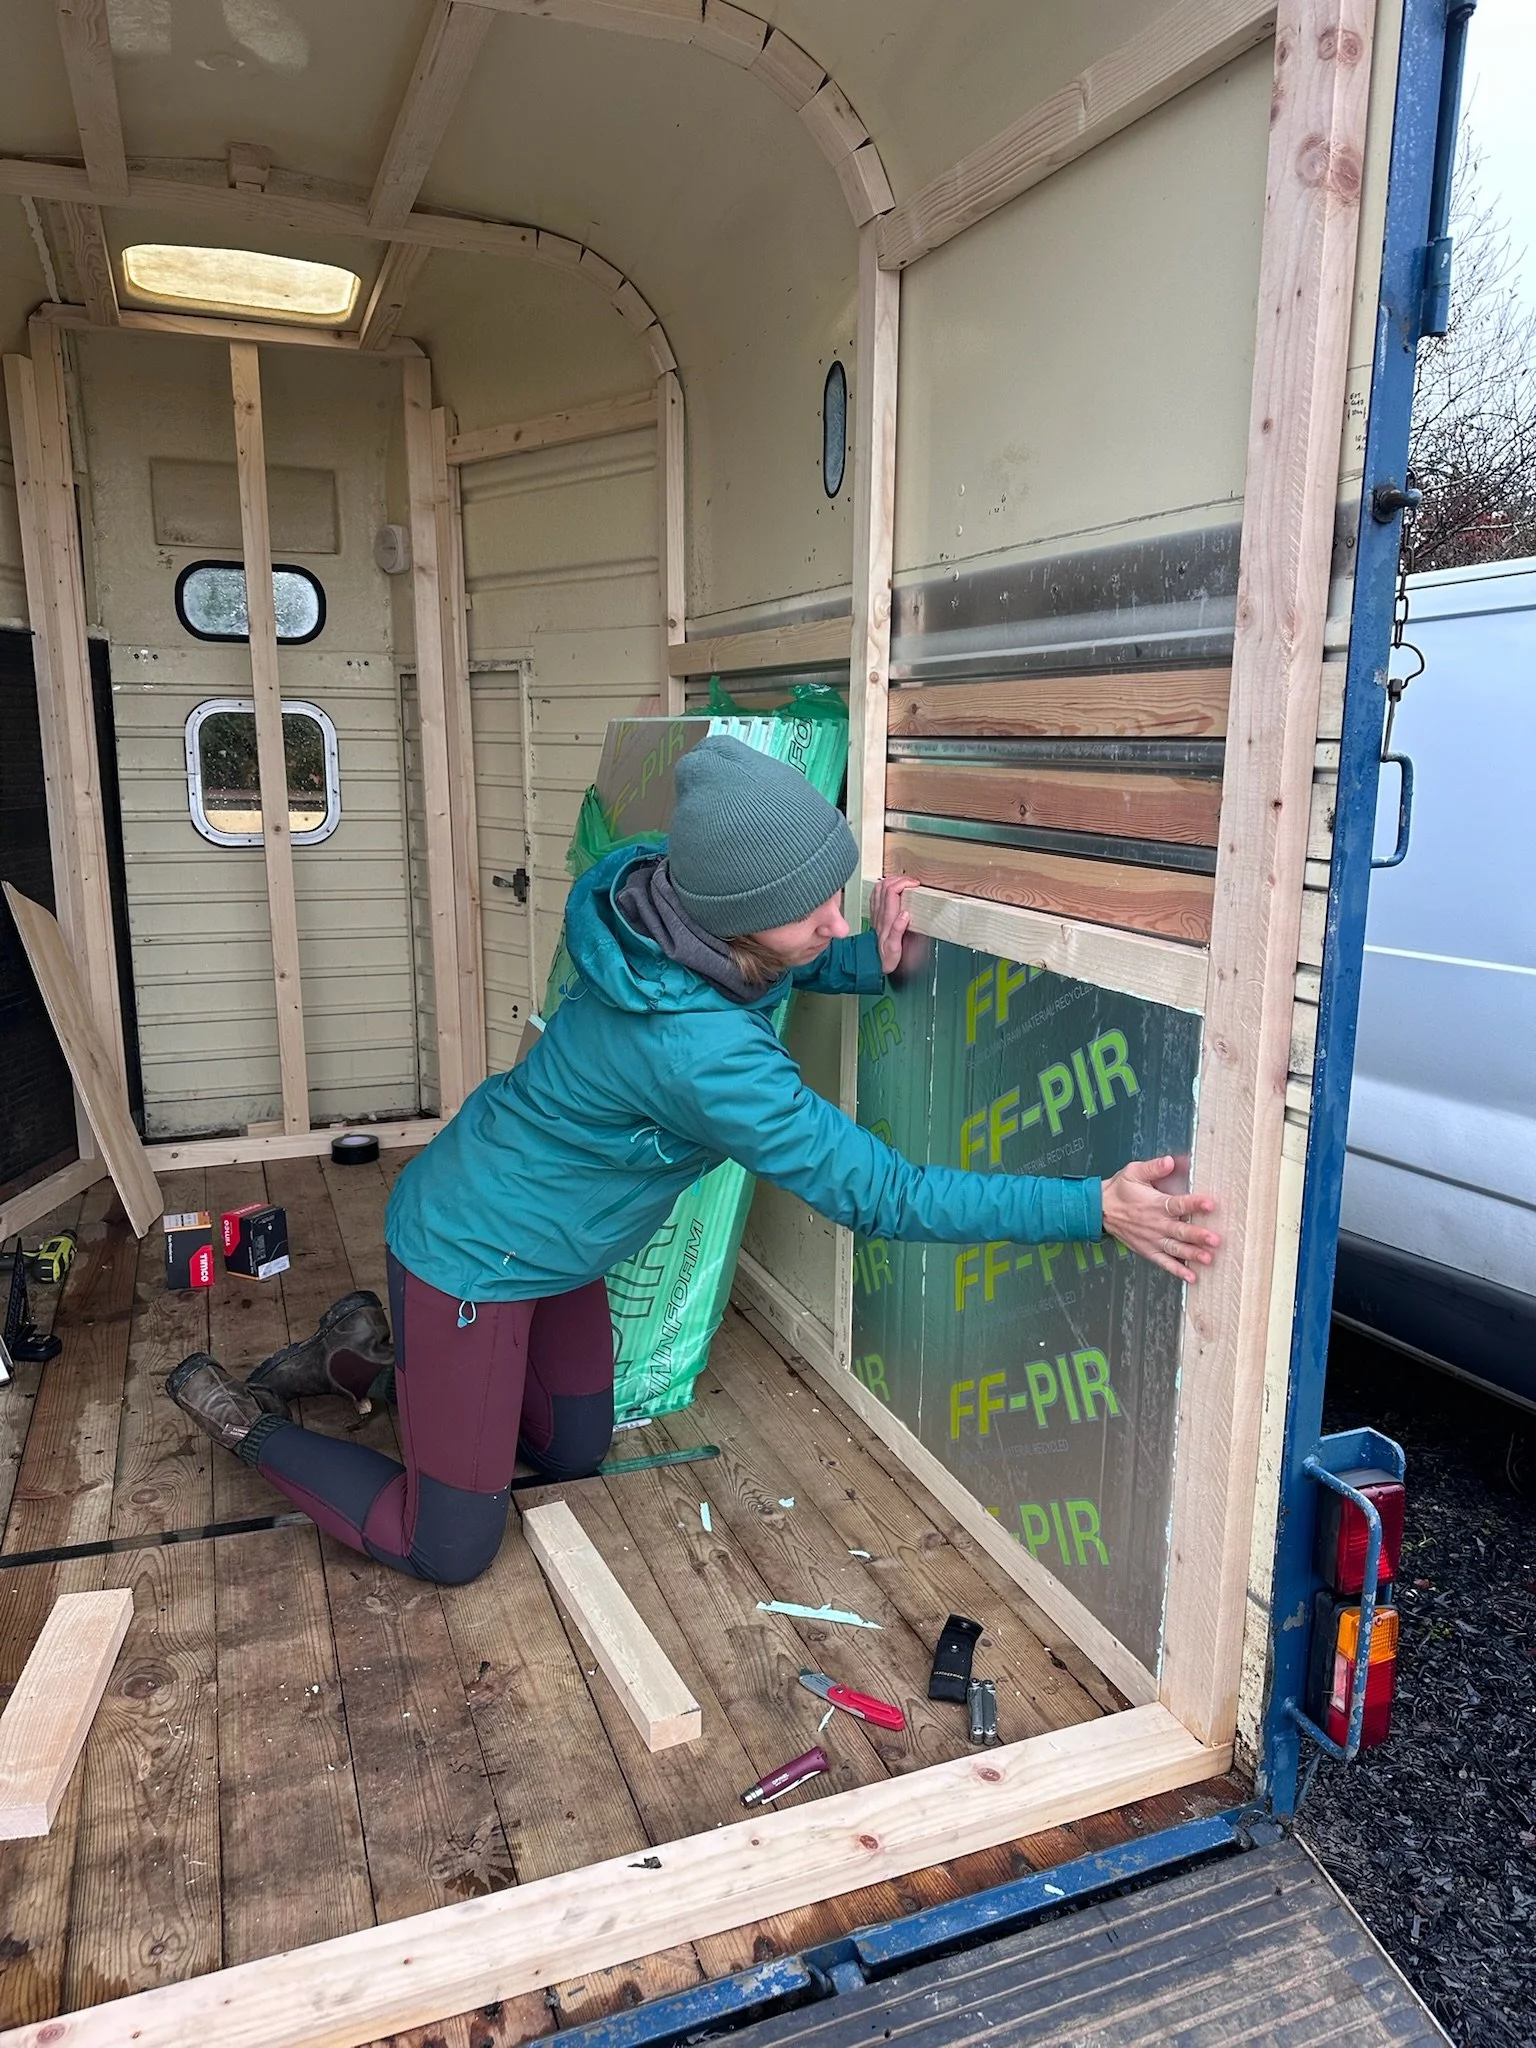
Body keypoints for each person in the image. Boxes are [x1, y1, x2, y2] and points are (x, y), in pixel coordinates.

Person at [167, 736, 1220, 1584]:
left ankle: (365, 1355)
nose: (836, 916)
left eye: (836, 894)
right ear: (729, 912)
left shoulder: (659, 912)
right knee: (448, 1546)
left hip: (562, 1244)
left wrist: (856, 959)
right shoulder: (696, 1052)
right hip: (472, 1255)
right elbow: (881, 1191)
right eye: (815, 909)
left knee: (575, 1451)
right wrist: (1093, 1206)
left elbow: (760, 970)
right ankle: (245, 1418)